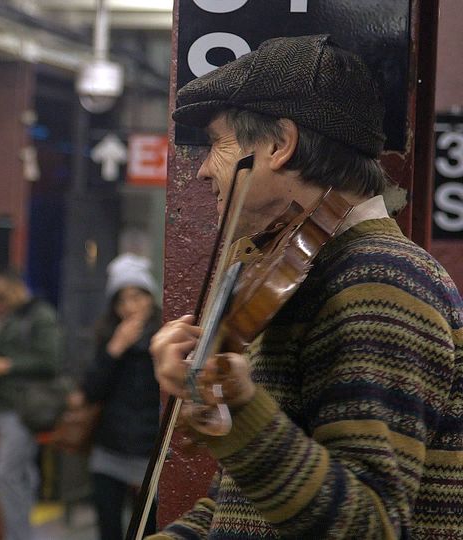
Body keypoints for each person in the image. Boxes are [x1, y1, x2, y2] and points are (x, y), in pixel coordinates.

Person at [147, 34, 463, 538]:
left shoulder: (380, 280)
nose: (204, 170)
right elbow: (241, 509)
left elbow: (369, 524)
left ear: (279, 144)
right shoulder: (308, 277)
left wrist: (243, 408)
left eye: (216, 143)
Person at [74, 253, 161, 540]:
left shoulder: (166, 335)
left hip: (149, 453)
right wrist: (114, 348)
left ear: (150, 297)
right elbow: (90, 391)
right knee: (108, 529)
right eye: (122, 300)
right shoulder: (107, 335)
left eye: (138, 297)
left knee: (147, 531)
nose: (131, 307)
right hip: (109, 449)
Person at [0, 269, 62, 540]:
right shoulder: (11, 317)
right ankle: (22, 533)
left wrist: (6, 366)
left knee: (7, 474)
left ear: (16, 287)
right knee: (22, 472)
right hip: (9, 405)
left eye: (2, 296)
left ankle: (18, 535)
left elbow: (51, 361)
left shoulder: (41, 316)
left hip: (24, 408)